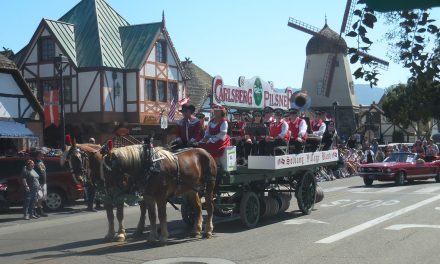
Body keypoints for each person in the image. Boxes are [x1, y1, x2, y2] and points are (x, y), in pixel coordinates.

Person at [32, 150, 48, 217]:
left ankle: (40, 211)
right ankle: (34, 211)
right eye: (41, 154)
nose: (43, 155)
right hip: (38, 182)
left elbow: (43, 170)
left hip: (43, 182)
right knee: (37, 197)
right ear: (38, 154)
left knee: (41, 198)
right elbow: (32, 172)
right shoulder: (34, 162)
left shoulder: (41, 161)